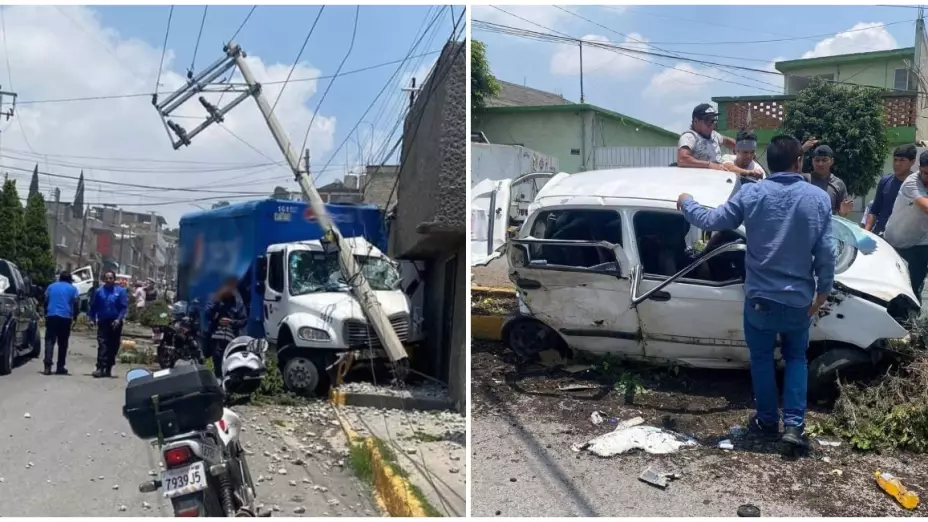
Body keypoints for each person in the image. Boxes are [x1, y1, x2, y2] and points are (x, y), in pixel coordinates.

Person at [676, 135, 835, 448]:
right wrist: (823, 291)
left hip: (760, 300)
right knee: (796, 359)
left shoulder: (752, 193)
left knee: (761, 360)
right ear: (798, 162)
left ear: (768, 163)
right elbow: (826, 251)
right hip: (798, 301)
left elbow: (712, 220)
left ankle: (766, 422)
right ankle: (793, 427)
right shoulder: (818, 199)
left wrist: (686, 201)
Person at [883, 151, 928, 302]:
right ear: (920, 168)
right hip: (895, 242)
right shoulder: (912, 182)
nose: (927, 177)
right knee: (893, 290)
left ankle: (910, 321)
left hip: (920, 242)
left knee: (914, 288)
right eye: (925, 173)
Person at [865, 144, 918, 235]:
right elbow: (874, 211)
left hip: (906, 239)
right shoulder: (885, 181)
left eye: (902, 160)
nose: (897, 164)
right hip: (882, 235)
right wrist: (866, 232)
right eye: (895, 160)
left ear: (912, 162)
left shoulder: (917, 184)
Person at [203, 276, 247, 379]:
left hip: (232, 339)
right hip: (216, 337)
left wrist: (231, 322)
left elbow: (243, 321)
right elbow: (207, 315)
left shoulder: (238, 302)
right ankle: (219, 378)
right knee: (217, 358)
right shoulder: (215, 299)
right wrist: (217, 317)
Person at [89, 270, 129, 378]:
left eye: (111, 278)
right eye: (106, 278)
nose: (108, 280)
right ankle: (100, 367)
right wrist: (92, 319)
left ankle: (108, 367)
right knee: (102, 344)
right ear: (103, 279)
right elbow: (94, 306)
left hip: (115, 322)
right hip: (103, 321)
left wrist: (119, 319)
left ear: (114, 279)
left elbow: (123, 307)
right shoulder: (99, 291)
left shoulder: (120, 291)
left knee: (113, 346)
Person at [676, 103, 736, 170]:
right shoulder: (690, 137)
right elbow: (682, 159)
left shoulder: (714, 135)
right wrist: (709, 165)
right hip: (700, 177)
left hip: (719, 176)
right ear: (696, 121)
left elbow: (727, 141)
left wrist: (740, 148)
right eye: (707, 120)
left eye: (713, 121)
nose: (711, 124)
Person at [43, 271, 79, 375]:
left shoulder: (51, 287)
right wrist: (75, 316)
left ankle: (47, 366)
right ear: (70, 280)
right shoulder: (73, 289)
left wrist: (46, 312)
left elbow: (45, 300)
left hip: (52, 315)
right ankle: (60, 367)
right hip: (65, 317)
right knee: (62, 343)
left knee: (49, 341)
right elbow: (76, 303)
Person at [803, 144, 853, 217]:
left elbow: (841, 216)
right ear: (812, 162)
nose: (820, 164)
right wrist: (801, 150)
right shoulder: (804, 180)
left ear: (831, 161)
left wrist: (843, 212)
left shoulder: (838, 184)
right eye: (817, 160)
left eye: (824, 160)